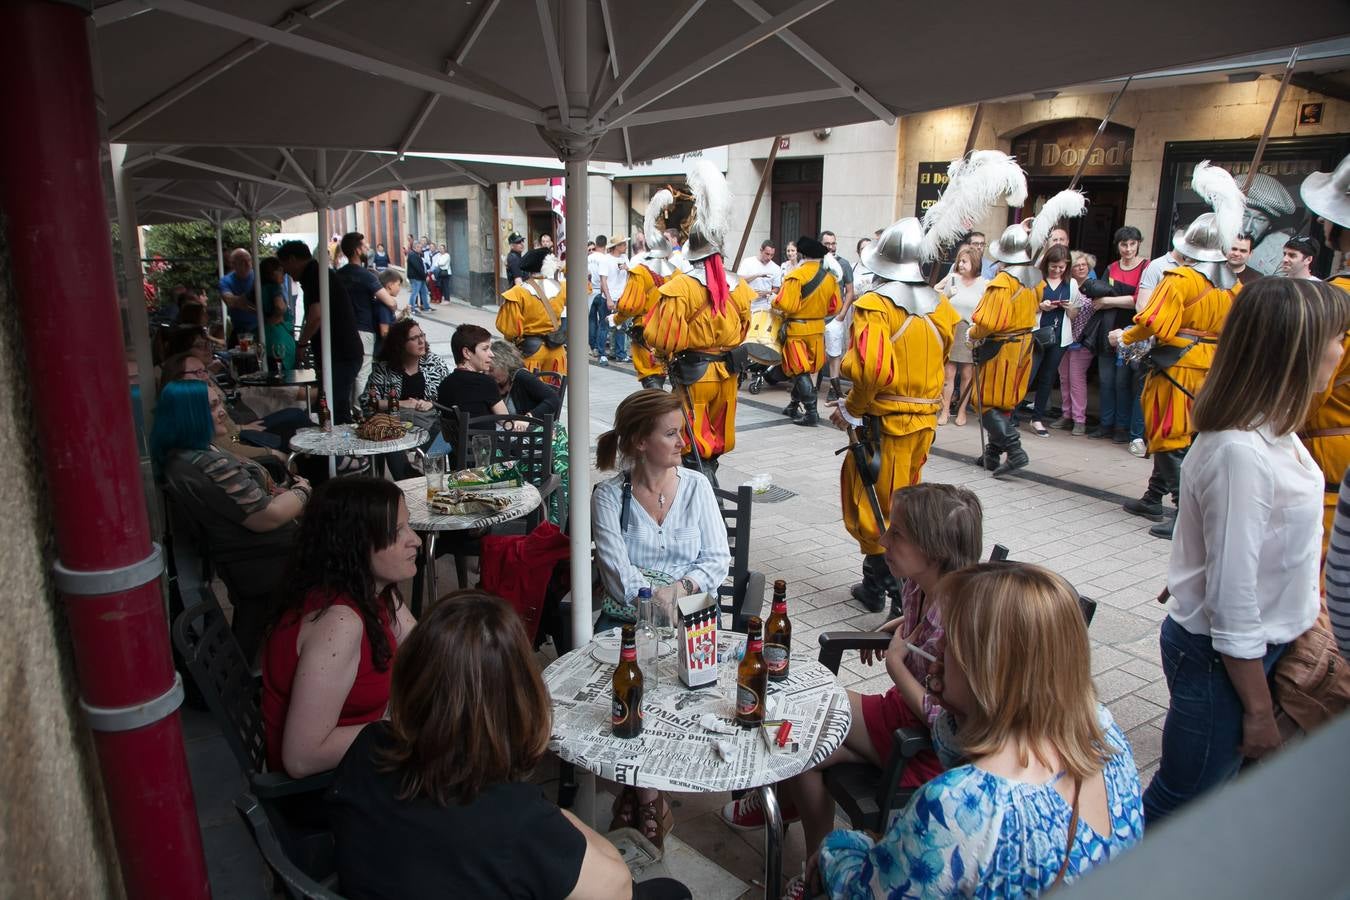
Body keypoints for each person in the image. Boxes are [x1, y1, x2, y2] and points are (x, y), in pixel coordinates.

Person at [1142, 277, 1349, 825]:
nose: (1341, 350)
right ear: (1296, 351)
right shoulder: (1242, 451)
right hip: (1225, 659)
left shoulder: (1273, 432)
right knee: (1184, 801)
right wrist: (1257, 712)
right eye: (1337, 338)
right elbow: (1231, 603)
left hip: (1252, 652)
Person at [814, 562, 1144, 899]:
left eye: (948, 644)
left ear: (984, 668)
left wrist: (840, 846)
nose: (936, 656)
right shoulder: (1106, 733)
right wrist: (957, 705)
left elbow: (865, 892)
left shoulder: (961, 805)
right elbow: (957, 747)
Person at [722, 484, 982, 860]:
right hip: (896, 715)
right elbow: (919, 625)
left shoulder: (959, 619)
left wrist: (895, 664)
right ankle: (801, 828)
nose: (883, 539)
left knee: (802, 741)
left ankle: (812, 856)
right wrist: (893, 627)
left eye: (897, 534)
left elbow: (943, 720)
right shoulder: (919, 585)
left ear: (934, 550)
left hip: (921, 746)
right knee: (799, 721)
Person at [327, 590, 637, 900]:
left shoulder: (369, 747)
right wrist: (553, 816)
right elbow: (618, 886)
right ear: (521, 697)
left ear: (410, 674)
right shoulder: (514, 820)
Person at [592, 389, 731, 849]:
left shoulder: (696, 487)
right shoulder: (609, 496)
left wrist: (680, 590)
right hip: (626, 624)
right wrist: (656, 600)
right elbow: (617, 575)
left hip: (691, 620)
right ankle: (650, 799)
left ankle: (638, 797)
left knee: (668, 694)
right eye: (671, 433)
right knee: (626, 693)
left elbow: (716, 560)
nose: (683, 442)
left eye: (681, 431)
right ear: (639, 442)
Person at [1112, 163, 1247, 540]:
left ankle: (1182, 510)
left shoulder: (1181, 278)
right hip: (1211, 369)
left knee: (1168, 436)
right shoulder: (1233, 287)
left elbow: (1153, 322)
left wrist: (1124, 337)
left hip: (1177, 366)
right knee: (1184, 436)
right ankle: (1153, 496)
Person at [833, 217, 961, 613]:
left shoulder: (875, 305)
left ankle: (899, 598)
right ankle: (874, 586)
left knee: (877, 509)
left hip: (884, 424)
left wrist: (853, 408)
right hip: (921, 423)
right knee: (896, 504)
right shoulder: (941, 307)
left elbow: (873, 370)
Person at [261, 477, 419, 777]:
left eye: (407, 525)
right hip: (334, 786)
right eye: (396, 532)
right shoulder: (338, 625)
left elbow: (422, 646)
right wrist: (404, 726)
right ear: (355, 544)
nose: (415, 540)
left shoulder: (370, 589)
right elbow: (301, 759)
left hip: (366, 760)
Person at [153, 380, 308, 661]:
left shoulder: (185, 456)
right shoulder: (209, 463)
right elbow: (267, 517)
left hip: (249, 556)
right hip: (269, 556)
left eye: (220, 403)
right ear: (190, 414)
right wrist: (303, 491)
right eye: (213, 406)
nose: (223, 411)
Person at [644, 160, 755, 485]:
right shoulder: (739, 286)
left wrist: (667, 353)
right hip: (728, 374)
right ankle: (709, 481)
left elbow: (661, 336)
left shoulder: (681, 286)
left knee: (691, 436)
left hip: (694, 373)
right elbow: (744, 328)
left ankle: (706, 493)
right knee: (715, 434)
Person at [1299, 153, 1350, 561]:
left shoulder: (1336, 300)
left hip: (1331, 462)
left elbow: (1309, 391)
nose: (1321, 220)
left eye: (1330, 215)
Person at [968, 225, 1045, 476]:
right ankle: (992, 453)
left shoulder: (1003, 282)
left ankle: (1014, 450)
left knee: (984, 401)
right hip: (1023, 344)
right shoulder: (1034, 278)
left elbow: (989, 322)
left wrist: (972, 334)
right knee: (1003, 402)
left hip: (1003, 347)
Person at [277, 240, 364, 423]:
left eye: (284, 266)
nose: (285, 272)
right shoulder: (316, 274)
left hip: (341, 353)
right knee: (331, 405)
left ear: (292, 259)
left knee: (335, 407)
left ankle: (341, 441)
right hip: (340, 353)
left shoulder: (315, 275)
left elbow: (316, 315)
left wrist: (302, 343)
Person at [1083, 226, 1149, 447]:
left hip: (1131, 330)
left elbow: (1140, 301)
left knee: (1123, 382)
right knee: (1106, 380)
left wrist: (1109, 301)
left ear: (1138, 244)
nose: (1128, 249)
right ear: (1117, 245)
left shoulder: (1146, 267)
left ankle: (1122, 426)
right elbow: (1097, 297)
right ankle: (1105, 423)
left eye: (1132, 244)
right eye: (1123, 244)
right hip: (1107, 328)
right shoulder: (1111, 267)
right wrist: (1108, 300)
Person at [768, 236, 840, 427]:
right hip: (817, 330)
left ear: (802, 254)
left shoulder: (796, 276)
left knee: (800, 371)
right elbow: (834, 307)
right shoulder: (830, 278)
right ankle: (793, 405)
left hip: (797, 330)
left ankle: (811, 413)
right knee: (804, 372)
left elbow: (786, 304)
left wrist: (774, 301)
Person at [615, 191, 679, 391]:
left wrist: (616, 319)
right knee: (673, 376)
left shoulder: (640, 272)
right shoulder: (677, 274)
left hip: (647, 331)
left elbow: (629, 306)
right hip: (670, 331)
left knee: (652, 378)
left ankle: (656, 405)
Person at [1023, 245, 1078, 437]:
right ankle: (1011, 412)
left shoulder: (1071, 284)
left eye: (1062, 267)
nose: (1057, 270)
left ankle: (1037, 418)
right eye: (1054, 266)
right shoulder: (1037, 280)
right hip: (1037, 334)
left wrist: (1069, 308)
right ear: (1047, 263)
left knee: (1048, 377)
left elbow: (1074, 315)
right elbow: (1025, 306)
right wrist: (1041, 307)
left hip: (1060, 336)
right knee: (1028, 374)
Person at [338, 232, 400, 396]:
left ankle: (347, 406)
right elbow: (390, 302)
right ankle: (360, 407)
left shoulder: (339, 274)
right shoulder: (365, 275)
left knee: (347, 371)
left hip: (342, 330)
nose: (368, 248)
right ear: (357, 250)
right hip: (363, 330)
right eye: (365, 246)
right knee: (362, 372)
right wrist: (393, 306)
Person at [934, 246, 986, 426]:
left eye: (964, 261)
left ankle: (962, 410)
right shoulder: (953, 279)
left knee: (967, 373)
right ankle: (945, 410)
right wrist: (946, 292)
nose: (960, 264)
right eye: (959, 261)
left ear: (974, 262)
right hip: (952, 328)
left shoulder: (984, 284)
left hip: (970, 331)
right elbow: (938, 299)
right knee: (948, 373)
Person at [497, 248, 568, 375]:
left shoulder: (518, 292)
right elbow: (586, 287)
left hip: (531, 351)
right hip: (556, 349)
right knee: (555, 386)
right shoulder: (562, 287)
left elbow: (509, 330)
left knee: (530, 386)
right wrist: (564, 268)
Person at [1053, 251, 1098, 435]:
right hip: (1065, 337)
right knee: (1064, 377)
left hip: (1083, 340)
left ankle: (1079, 420)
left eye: (1083, 265)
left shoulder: (1094, 287)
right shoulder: (1066, 285)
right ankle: (1066, 414)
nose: (1080, 268)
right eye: (1076, 265)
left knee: (1077, 378)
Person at [1242, 172, 1298, 276]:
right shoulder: (1213, 233)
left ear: (1270, 226)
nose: (1247, 228)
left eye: (1259, 219)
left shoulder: (1284, 250)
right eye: (1244, 216)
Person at [260, 257, 297, 370]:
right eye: (280, 270)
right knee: (283, 373)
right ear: (271, 273)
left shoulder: (260, 288)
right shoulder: (275, 287)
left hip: (269, 335)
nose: (284, 274)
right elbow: (279, 306)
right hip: (279, 337)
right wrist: (278, 316)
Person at [219, 248, 257, 345]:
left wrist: (240, 302)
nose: (247, 264)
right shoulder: (226, 281)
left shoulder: (259, 277)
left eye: (249, 260)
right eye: (242, 262)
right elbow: (230, 301)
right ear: (233, 264)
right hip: (240, 330)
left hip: (260, 328)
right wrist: (251, 300)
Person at [587, 234, 614, 362]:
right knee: (603, 322)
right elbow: (605, 278)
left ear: (596, 244)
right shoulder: (605, 258)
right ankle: (599, 347)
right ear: (605, 245)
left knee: (592, 320)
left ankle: (593, 347)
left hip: (589, 291)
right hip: (601, 290)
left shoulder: (588, 258)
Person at [607, 236, 631, 362]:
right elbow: (603, 279)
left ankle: (619, 352)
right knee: (613, 325)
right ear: (617, 246)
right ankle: (616, 352)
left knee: (620, 325)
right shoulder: (607, 259)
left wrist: (627, 268)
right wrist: (608, 297)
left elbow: (631, 273)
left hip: (623, 296)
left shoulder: (625, 258)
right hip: (612, 296)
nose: (626, 247)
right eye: (623, 244)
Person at [405, 236, 430, 313]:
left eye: (421, 247)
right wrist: (425, 276)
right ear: (415, 247)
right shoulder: (413, 255)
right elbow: (418, 268)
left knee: (424, 292)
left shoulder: (418, 255)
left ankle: (426, 307)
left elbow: (422, 267)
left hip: (420, 277)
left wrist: (424, 276)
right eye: (419, 247)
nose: (421, 249)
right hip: (416, 278)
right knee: (415, 293)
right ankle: (411, 308)